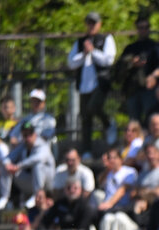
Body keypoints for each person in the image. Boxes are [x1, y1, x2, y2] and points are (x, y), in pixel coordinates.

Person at [67, 12, 117, 152]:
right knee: (85, 119)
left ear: (99, 24)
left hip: (100, 83)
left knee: (94, 107)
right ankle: (86, 151)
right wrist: (84, 53)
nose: (91, 26)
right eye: (89, 23)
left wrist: (93, 51)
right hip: (84, 85)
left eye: (94, 23)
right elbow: (71, 63)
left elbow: (109, 60)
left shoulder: (106, 38)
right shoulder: (80, 42)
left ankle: (108, 124)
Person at [113, 13, 159, 123]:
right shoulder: (131, 48)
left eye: (146, 27)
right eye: (141, 27)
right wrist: (132, 63)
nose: (143, 30)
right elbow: (119, 66)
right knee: (134, 121)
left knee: (150, 118)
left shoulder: (154, 46)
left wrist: (153, 76)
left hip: (149, 89)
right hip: (132, 90)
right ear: (137, 29)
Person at [0, 123, 54, 211]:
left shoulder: (43, 145)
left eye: (30, 134)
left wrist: (19, 166)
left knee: (38, 165)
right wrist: (8, 164)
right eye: (25, 135)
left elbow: (37, 158)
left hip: (47, 183)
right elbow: (8, 158)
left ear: (35, 134)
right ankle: (4, 197)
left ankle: (36, 194)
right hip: (29, 181)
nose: (28, 137)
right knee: (6, 166)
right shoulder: (23, 145)